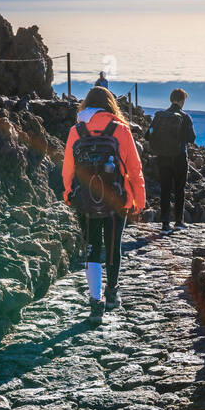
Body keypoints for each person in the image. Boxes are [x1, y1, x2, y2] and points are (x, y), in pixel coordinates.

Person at [62, 87, 144, 320]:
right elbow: (134, 169)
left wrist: (69, 192)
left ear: (86, 105)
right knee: (112, 246)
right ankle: (111, 294)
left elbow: (68, 167)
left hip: (85, 199)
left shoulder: (75, 131)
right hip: (116, 199)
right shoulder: (121, 129)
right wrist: (138, 200)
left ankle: (95, 301)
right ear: (110, 105)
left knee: (92, 247)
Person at [146, 87, 197, 232]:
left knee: (165, 190)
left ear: (171, 99)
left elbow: (148, 134)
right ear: (182, 100)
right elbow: (192, 139)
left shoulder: (159, 116)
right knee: (179, 189)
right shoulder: (185, 117)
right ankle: (179, 222)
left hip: (162, 157)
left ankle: (165, 224)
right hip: (180, 157)